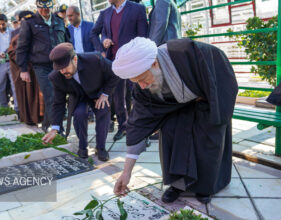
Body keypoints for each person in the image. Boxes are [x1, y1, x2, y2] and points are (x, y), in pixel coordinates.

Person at [112, 37, 238, 204]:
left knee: (208, 139)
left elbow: (223, 77)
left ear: (155, 63)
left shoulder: (190, 52)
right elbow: (138, 124)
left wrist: (210, 103)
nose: (142, 86)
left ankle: (205, 187)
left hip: (207, 100)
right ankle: (177, 185)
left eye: (142, 79)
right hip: (176, 107)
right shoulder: (143, 86)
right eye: (136, 82)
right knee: (171, 132)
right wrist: (126, 172)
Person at [42, 43, 119, 161]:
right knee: (79, 114)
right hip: (78, 97)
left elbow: (115, 73)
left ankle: (101, 148)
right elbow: (58, 103)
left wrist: (105, 94)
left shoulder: (95, 59)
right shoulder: (56, 76)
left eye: (65, 67)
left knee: (103, 110)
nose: (62, 71)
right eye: (59, 68)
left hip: (97, 92)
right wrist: (55, 128)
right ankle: (82, 147)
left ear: (75, 59)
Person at [90, 0, 148, 142]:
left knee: (138, 96)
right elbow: (94, 33)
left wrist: (138, 57)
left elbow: (143, 37)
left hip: (133, 61)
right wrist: (103, 45)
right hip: (115, 63)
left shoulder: (137, 9)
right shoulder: (105, 13)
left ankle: (142, 130)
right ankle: (123, 126)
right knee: (118, 98)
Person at [16, 0, 69, 133]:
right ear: (37, 7)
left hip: (60, 65)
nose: (44, 11)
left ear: (52, 7)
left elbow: (67, 42)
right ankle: (57, 130)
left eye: (47, 8)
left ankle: (46, 125)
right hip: (41, 66)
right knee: (51, 95)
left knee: (60, 95)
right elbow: (22, 47)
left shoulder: (59, 21)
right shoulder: (29, 22)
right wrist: (23, 70)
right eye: (41, 8)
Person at [7, 10, 43, 125]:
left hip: (35, 68)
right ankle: (28, 119)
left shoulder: (38, 29)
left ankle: (39, 118)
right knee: (25, 95)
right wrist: (24, 64)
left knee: (36, 95)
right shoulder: (15, 33)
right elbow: (13, 51)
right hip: (21, 69)